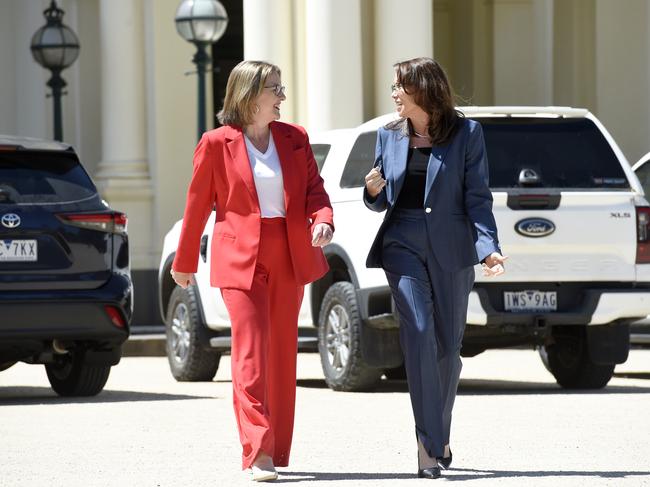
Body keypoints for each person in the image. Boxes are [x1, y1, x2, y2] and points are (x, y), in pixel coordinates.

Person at [171, 60, 334, 482]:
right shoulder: (215, 143)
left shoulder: (295, 138)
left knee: (281, 354)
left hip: (289, 253)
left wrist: (323, 219)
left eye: (281, 88)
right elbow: (196, 206)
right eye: (275, 89)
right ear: (249, 95)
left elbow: (315, 190)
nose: (282, 97)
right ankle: (257, 452)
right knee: (250, 354)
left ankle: (276, 449)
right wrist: (184, 262)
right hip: (240, 258)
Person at [363, 57, 506, 479]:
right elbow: (379, 197)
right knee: (420, 333)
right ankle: (427, 446)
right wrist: (372, 191)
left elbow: (477, 197)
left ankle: (439, 432)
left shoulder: (467, 134)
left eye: (398, 86)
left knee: (448, 347)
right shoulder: (387, 135)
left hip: (451, 247)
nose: (393, 93)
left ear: (422, 90)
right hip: (402, 243)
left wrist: (488, 248)